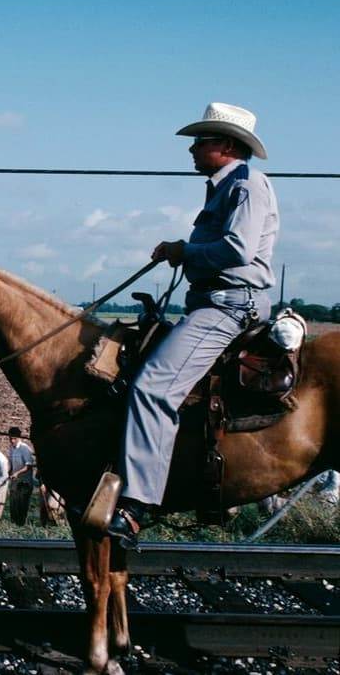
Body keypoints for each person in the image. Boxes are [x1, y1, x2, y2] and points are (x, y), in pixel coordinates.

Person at [108, 103, 279, 550]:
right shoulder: (223, 187)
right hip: (211, 300)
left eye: (200, 141)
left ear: (225, 145)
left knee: (153, 386)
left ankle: (139, 502)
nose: (192, 148)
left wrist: (182, 251)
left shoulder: (247, 184)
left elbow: (238, 250)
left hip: (228, 305)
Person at [6, 427, 36, 526]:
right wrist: (9, 472)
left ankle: (22, 525)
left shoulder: (24, 448)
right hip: (15, 481)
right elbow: (10, 463)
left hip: (24, 482)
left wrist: (17, 473)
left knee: (22, 504)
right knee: (13, 504)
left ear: (19, 437)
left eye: (14, 438)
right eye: (10, 439)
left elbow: (29, 465)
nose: (12, 441)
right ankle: (14, 525)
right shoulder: (11, 448)